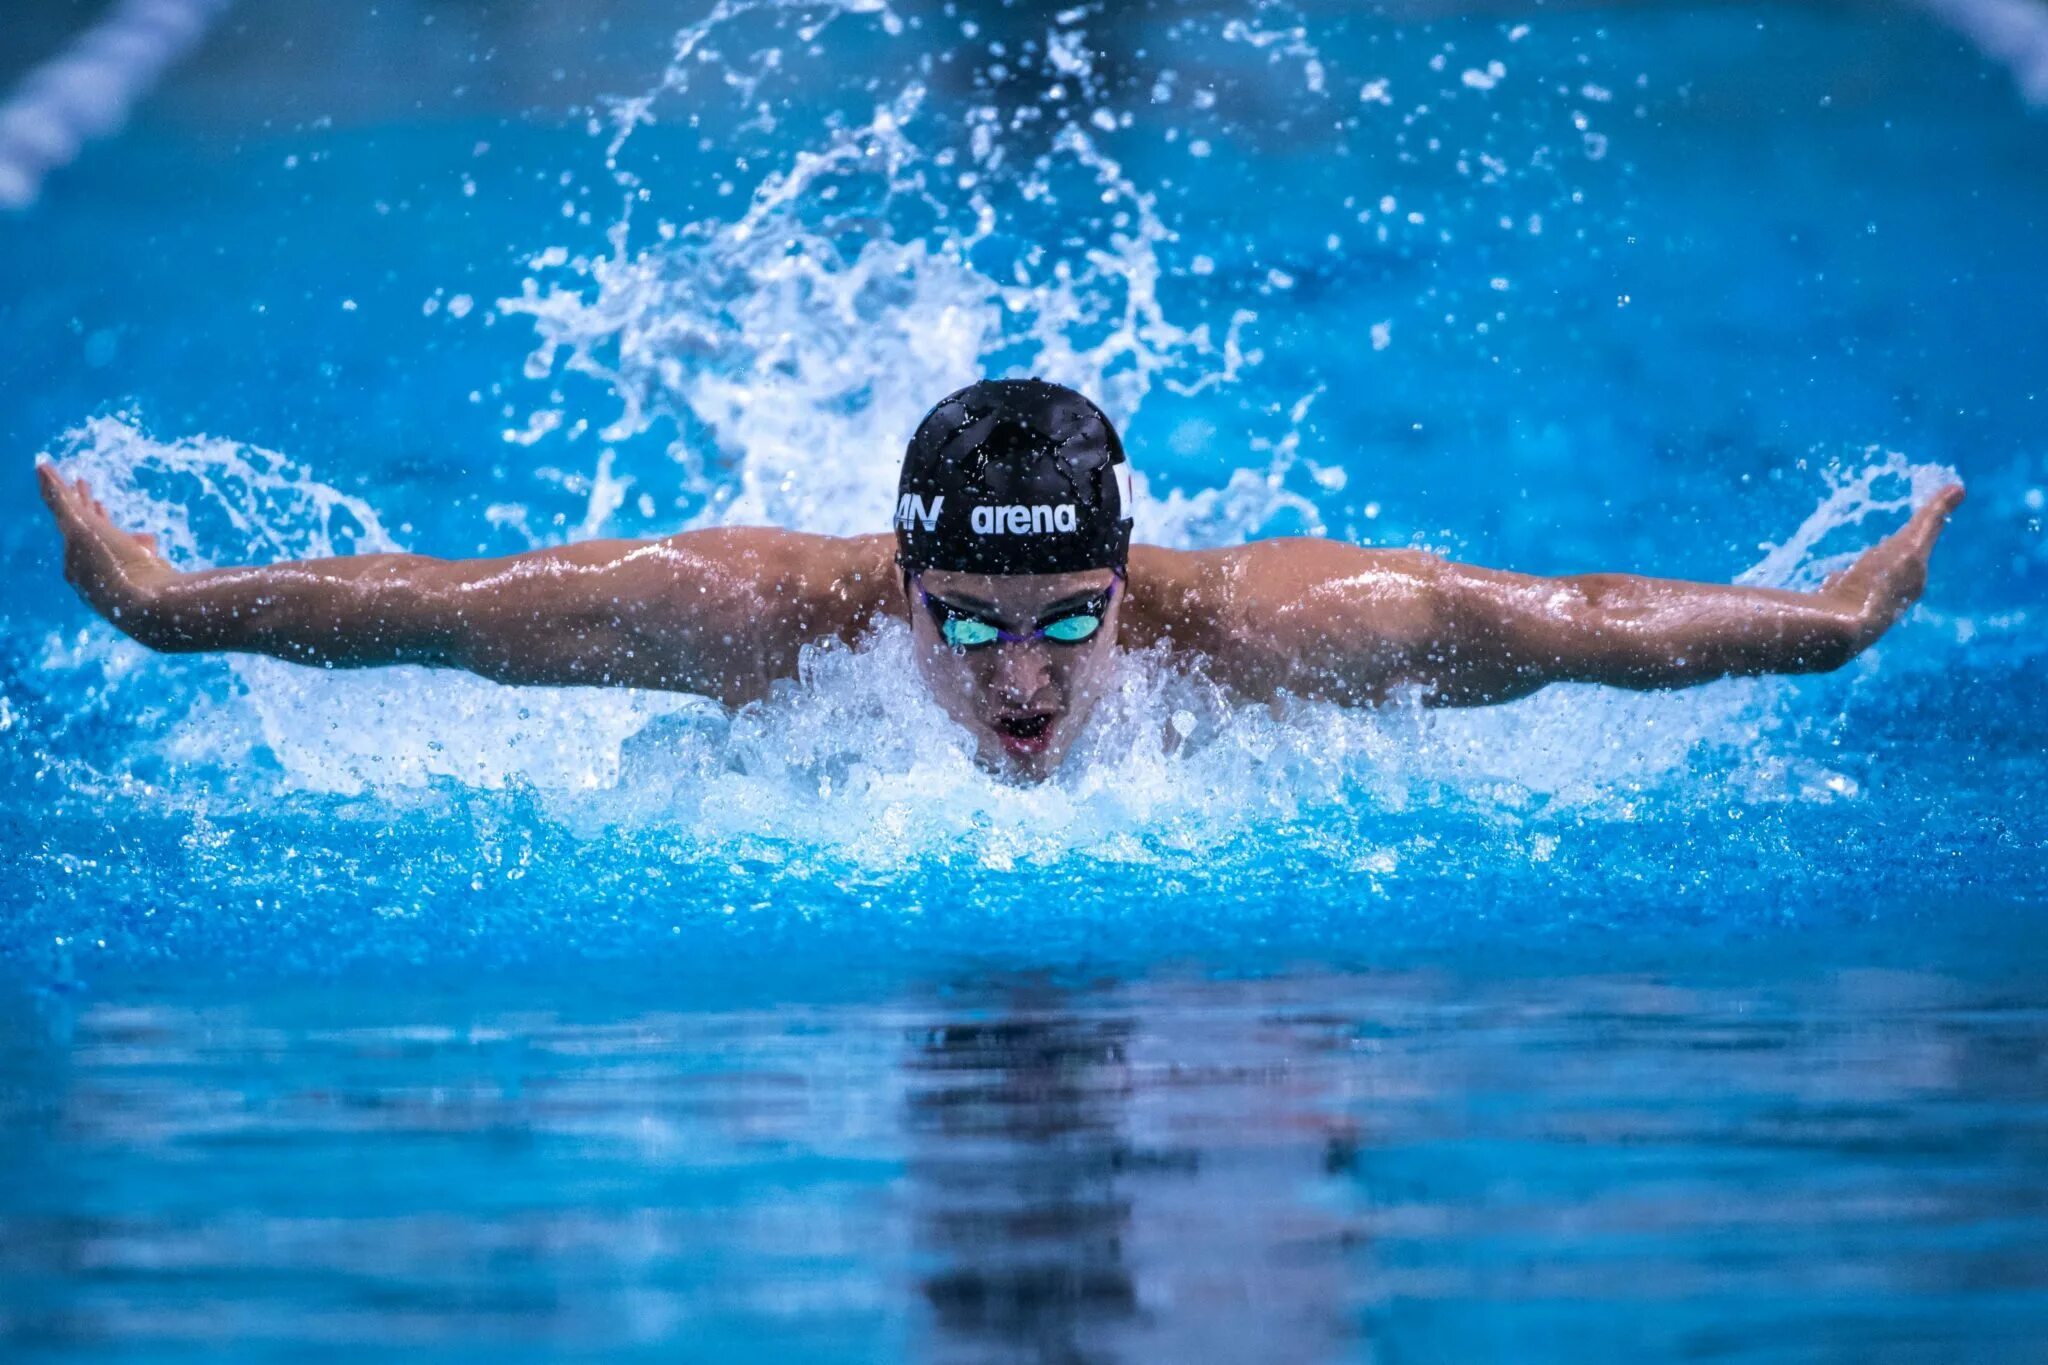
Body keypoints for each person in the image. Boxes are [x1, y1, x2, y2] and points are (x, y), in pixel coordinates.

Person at [38, 378, 1963, 781]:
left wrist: (1829, 626)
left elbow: (1549, 621)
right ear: (904, 582)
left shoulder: (1278, 630)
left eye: (1066, 625)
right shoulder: (745, 613)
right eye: (968, 625)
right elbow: (441, 603)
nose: (1020, 682)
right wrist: (162, 604)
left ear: (1132, 580)